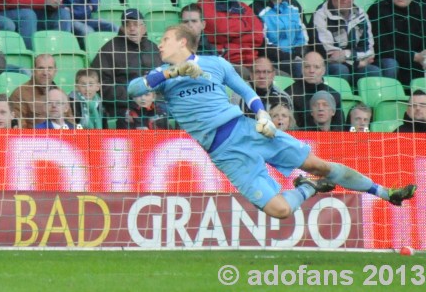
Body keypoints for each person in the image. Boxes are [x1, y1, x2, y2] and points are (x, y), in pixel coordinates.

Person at [127, 24, 416, 220]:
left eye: (164, 40)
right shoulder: (163, 74)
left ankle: (385, 192)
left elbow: (247, 92)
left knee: (319, 165)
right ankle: (309, 188)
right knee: (280, 211)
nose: (160, 45)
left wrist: (263, 114)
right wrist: (171, 72)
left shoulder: (216, 64)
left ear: (181, 41)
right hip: (225, 154)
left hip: (247, 129)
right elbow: (134, 90)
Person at [313, 0, 397, 83]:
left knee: (380, 69)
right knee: (341, 70)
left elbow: (369, 50)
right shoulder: (321, 14)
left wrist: (347, 54)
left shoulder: (361, 15)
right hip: (331, 66)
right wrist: (359, 63)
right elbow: (330, 56)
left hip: (355, 64)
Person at [90, 8, 162, 122]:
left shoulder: (153, 48)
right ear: (122, 28)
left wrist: (154, 97)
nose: (132, 28)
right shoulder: (109, 50)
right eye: (127, 24)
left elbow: (164, 77)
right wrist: (131, 96)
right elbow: (100, 84)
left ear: (144, 27)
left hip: (153, 103)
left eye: (136, 24)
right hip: (123, 106)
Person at [197, 0, 265, 76]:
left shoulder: (242, 6)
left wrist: (231, 35)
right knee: (256, 79)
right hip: (225, 61)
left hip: (252, 60)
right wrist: (245, 28)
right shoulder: (203, 4)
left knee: (283, 76)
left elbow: (258, 36)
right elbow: (221, 28)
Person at [367, 0, 426, 86]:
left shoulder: (421, 10)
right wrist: (414, 56)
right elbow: (382, 48)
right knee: (391, 64)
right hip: (388, 61)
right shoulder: (377, 9)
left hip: (417, 62)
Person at [252, 0, 307, 78]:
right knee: (301, 67)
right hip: (272, 60)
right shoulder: (254, 9)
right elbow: (262, 45)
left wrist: (298, 54)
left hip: (297, 57)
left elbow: (304, 36)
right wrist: (291, 58)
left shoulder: (295, 6)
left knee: (315, 65)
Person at [9, 53, 57, 128]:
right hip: (33, 139)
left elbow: (71, 124)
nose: (45, 73)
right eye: (41, 68)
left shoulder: (61, 94)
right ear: (33, 71)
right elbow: (20, 130)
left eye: (50, 68)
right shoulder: (19, 94)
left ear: (55, 71)